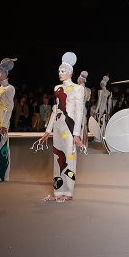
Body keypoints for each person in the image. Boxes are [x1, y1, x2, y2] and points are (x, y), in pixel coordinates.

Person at [37, 52, 87, 202]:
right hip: (58, 130)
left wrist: (77, 133)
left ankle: (68, 191)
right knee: (58, 159)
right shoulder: (57, 88)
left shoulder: (78, 89)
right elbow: (55, 110)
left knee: (69, 159)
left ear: (70, 72)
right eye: (59, 70)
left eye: (63, 70)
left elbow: (79, 113)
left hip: (70, 129)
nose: (60, 73)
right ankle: (58, 191)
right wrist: (47, 131)